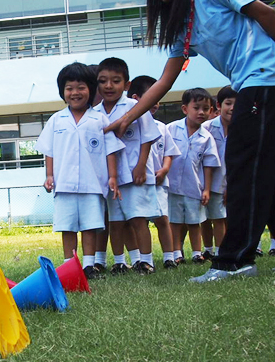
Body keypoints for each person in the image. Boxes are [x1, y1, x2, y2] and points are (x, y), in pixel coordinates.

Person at [106, 0, 275, 282]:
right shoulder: (182, 24)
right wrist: (128, 116)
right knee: (264, 172)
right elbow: (165, 80)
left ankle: (235, 259)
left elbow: (267, 15)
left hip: (268, 75)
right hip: (252, 83)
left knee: (242, 166)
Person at [37, 62, 124, 279]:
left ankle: (88, 266)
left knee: (90, 226)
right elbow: (49, 150)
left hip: (92, 184)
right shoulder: (56, 119)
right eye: (69, 88)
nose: (75, 92)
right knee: (67, 227)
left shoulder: (99, 119)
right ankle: (69, 267)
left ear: (91, 89)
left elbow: (110, 150)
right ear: (62, 92)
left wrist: (113, 177)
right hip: (64, 183)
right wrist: (49, 175)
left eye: (81, 87)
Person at [94, 57, 162, 274]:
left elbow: (148, 137)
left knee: (138, 219)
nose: (108, 86)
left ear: (127, 84)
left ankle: (146, 261)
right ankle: (120, 262)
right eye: (103, 81)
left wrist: (141, 165)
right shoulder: (95, 113)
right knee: (115, 222)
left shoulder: (135, 106)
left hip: (135, 174)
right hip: (110, 177)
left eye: (115, 81)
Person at [128, 75, 181, 269]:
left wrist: (165, 169)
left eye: (158, 99)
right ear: (136, 98)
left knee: (162, 219)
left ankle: (170, 256)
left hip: (159, 183)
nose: (156, 104)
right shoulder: (130, 125)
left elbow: (169, 152)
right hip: (139, 182)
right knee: (137, 220)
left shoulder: (161, 128)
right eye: (151, 98)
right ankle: (139, 259)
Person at [166, 88, 221, 264]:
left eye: (206, 109)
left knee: (193, 222)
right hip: (172, 186)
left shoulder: (207, 137)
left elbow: (209, 165)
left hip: (194, 187)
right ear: (184, 109)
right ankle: (176, 253)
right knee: (174, 222)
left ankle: (197, 253)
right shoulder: (171, 129)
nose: (201, 112)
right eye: (196, 108)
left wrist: (206, 189)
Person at [201, 85, 235, 259]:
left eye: (237, 103)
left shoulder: (243, 128)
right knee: (207, 218)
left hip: (232, 181)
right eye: (228, 103)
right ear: (219, 105)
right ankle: (208, 250)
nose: (232, 108)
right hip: (209, 181)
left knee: (225, 218)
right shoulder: (207, 128)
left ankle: (224, 250)